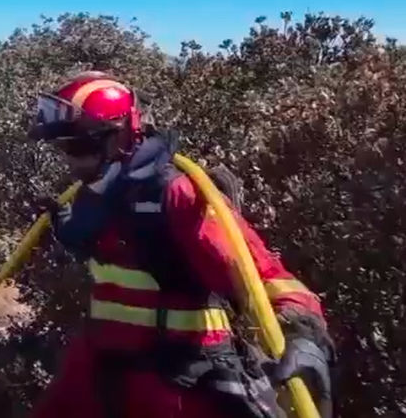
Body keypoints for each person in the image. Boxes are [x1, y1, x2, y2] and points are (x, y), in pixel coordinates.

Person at [27, 71, 335, 418]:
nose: (71, 160)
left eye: (80, 146)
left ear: (122, 134)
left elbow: (260, 272)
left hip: (178, 378)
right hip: (102, 366)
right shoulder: (94, 192)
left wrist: (303, 330)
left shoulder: (177, 193)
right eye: (64, 147)